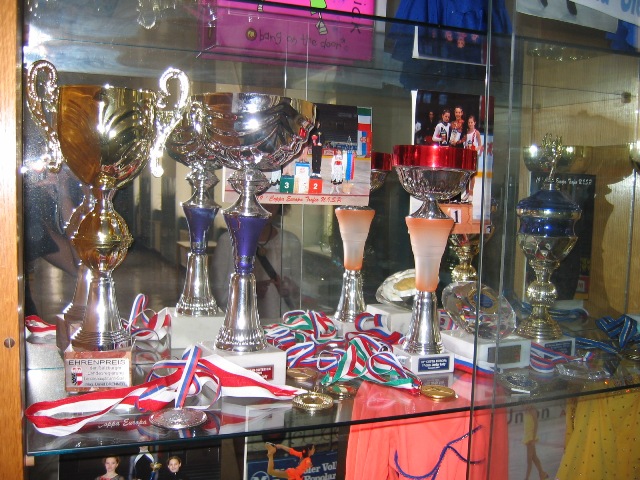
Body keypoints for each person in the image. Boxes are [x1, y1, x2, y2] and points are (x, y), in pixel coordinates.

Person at [212, 204, 302, 321]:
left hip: (280, 323)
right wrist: (247, 292)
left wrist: (290, 290)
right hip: (240, 322)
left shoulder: (290, 241)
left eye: (271, 201)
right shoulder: (228, 241)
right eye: (261, 199)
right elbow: (217, 293)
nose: (266, 205)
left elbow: (300, 292)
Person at [522, 405, 548, 480]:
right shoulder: (525, 411)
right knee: (534, 457)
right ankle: (542, 473)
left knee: (529, 460)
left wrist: (533, 439)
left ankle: (526, 478)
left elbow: (536, 424)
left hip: (531, 437)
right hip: (527, 437)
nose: (523, 406)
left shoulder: (532, 410)